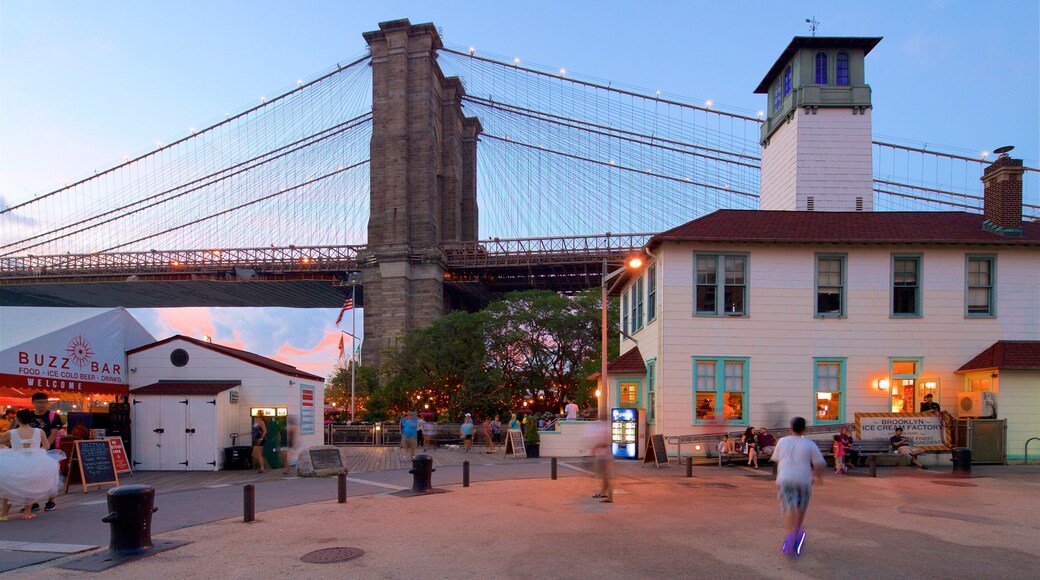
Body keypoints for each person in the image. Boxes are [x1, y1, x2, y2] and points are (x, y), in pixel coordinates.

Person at [770, 416, 825, 558]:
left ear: (790, 428)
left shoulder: (782, 441)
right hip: (804, 479)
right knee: (801, 507)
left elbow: (776, 459)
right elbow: (819, 463)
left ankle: (790, 536)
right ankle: (797, 531)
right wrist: (817, 476)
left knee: (789, 506)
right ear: (804, 429)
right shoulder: (809, 444)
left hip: (785, 478)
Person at [0, 409, 62, 521]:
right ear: (31, 420)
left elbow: (1, 442)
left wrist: (7, 448)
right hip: (35, 461)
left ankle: (4, 515)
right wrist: (37, 451)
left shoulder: (11, 433)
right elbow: (47, 446)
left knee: (8, 488)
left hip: (14, 462)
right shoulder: (39, 432)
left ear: (17, 419)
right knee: (31, 486)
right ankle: (27, 513)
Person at [27, 393, 62, 512]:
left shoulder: (53, 416)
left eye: (44, 402)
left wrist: (43, 449)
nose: (42, 405)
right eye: (39, 402)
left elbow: (53, 434)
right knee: (31, 477)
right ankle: (32, 502)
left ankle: (51, 501)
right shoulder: (28, 416)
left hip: (49, 451)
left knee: (51, 475)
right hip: (31, 451)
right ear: (32, 402)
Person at [589, 420, 614, 503]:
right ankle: (603, 493)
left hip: (605, 456)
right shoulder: (604, 426)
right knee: (604, 476)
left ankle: (610, 497)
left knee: (607, 477)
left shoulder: (606, 427)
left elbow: (605, 443)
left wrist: (596, 447)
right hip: (602, 455)